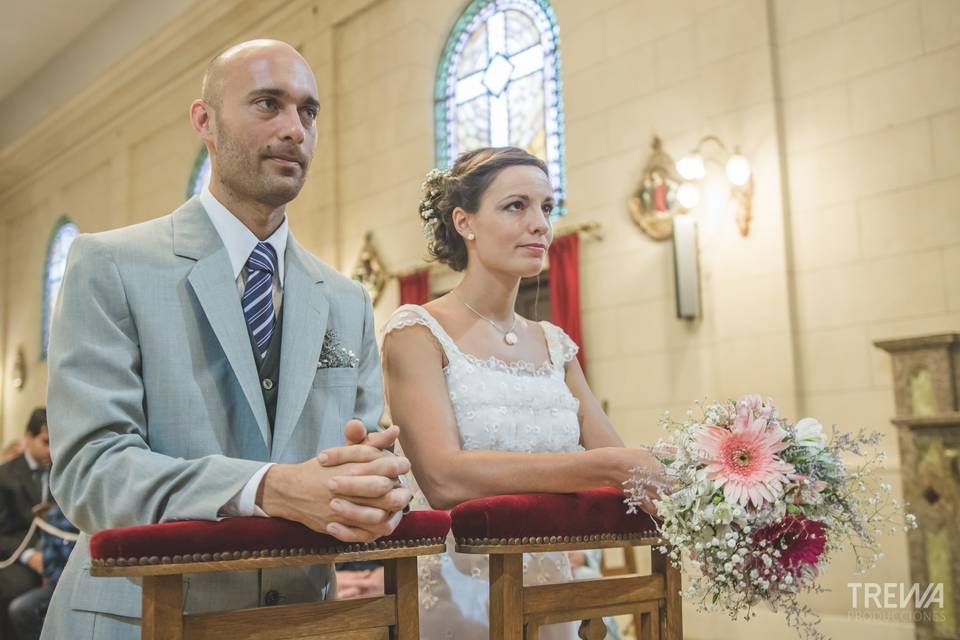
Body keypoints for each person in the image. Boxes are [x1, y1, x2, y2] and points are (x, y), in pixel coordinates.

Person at [43, 39, 411, 640]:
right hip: (146, 617)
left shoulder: (344, 298)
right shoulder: (110, 264)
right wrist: (265, 488)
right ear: (204, 121)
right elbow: (92, 470)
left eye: (308, 111)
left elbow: (363, 450)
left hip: (304, 619)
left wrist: (374, 485)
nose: (295, 129)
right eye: (268, 104)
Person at [371, 147, 666, 639]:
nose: (540, 225)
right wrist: (603, 467)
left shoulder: (555, 345)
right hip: (456, 590)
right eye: (516, 206)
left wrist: (706, 470)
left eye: (547, 208)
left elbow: (620, 460)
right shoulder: (416, 332)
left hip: (551, 594)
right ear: (464, 222)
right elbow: (443, 478)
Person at [0, 409, 51, 638]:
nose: (52, 450)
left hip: (56, 554)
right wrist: (30, 556)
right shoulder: (5, 477)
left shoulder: (61, 473)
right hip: (18, 555)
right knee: (16, 591)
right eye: (46, 442)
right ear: (28, 437)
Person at [8, 504, 77, 640]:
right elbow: (49, 565)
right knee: (20, 608)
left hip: (88, 582)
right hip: (59, 583)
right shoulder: (54, 515)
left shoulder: (97, 514)